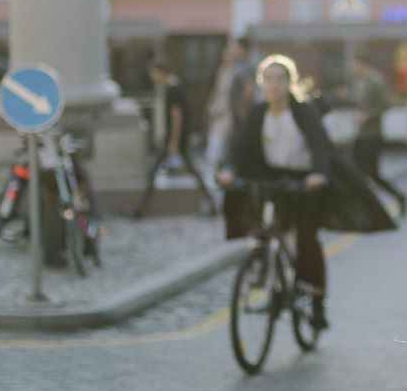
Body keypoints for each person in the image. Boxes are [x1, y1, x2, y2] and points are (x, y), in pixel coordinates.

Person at [218, 54, 333, 330]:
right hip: (270, 177)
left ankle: (317, 299)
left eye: (280, 79)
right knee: (263, 229)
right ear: (262, 83)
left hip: (304, 181)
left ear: (289, 82)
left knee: (306, 239)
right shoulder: (258, 112)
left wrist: (318, 173)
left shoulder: (302, 111)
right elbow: (240, 145)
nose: (274, 84)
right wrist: (230, 169)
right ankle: (269, 277)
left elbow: (319, 144)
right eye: (268, 79)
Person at [130, 58, 217, 218]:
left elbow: (177, 116)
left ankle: (142, 208)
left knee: (158, 170)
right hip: (178, 138)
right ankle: (212, 203)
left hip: (177, 139)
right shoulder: (174, 87)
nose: (152, 77)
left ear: (159, 71)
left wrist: (173, 142)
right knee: (189, 170)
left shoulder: (173, 90)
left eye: (153, 73)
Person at [348, 54, 407, 217]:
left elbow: (387, 103)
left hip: (372, 134)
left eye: (354, 65)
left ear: (361, 64)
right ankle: (363, 206)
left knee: (370, 173)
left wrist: (368, 116)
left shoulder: (375, 81)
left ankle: (397, 198)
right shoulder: (360, 81)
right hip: (362, 134)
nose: (351, 69)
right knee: (357, 171)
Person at [203, 37, 256, 204]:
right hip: (220, 119)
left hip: (229, 120)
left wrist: (240, 111)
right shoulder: (228, 69)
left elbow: (249, 90)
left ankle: (215, 197)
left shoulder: (245, 68)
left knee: (218, 156)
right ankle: (213, 196)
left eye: (233, 48)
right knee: (215, 157)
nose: (230, 51)